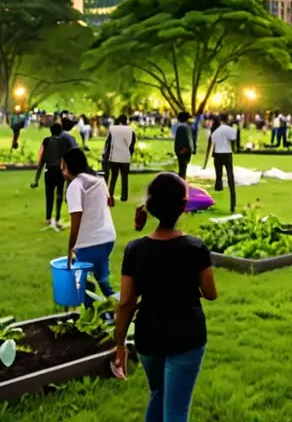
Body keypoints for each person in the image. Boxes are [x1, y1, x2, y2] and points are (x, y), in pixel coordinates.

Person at [114, 173, 218, 421]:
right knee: (176, 409)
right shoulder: (196, 247)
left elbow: (126, 302)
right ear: (183, 206)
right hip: (188, 336)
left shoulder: (135, 249)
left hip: (149, 336)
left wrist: (119, 343)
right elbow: (211, 294)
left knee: (158, 395)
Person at [64, 147, 117, 305]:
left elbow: (76, 221)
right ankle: (121, 310)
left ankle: (91, 322)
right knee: (104, 282)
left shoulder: (75, 186)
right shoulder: (99, 180)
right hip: (107, 238)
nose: (62, 169)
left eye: (64, 165)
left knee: (86, 287)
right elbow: (109, 201)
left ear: (69, 167)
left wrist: (70, 250)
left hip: (90, 242)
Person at [32, 123, 67, 230]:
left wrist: (36, 179)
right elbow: (65, 158)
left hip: (49, 171)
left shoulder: (46, 141)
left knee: (49, 195)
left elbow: (42, 160)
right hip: (59, 172)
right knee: (59, 195)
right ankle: (57, 218)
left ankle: (48, 217)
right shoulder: (62, 142)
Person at [102, 114, 136, 203]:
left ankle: (111, 194)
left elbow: (108, 143)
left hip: (114, 156)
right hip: (125, 157)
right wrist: (130, 155)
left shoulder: (113, 129)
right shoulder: (131, 130)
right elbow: (132, 145)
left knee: (114, 177)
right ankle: (124, 196)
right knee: (124, 177)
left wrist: (106, 155)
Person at [208, 114, 238, 214]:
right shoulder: (229, 129)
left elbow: (213, 143)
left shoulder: (215, 131)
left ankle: (216, 197)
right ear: (227, 119)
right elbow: (233, 140)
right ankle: (232, 202)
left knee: (218, 176)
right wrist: (233, 149)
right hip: (227, 154)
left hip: (217, 155)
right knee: (230, 176)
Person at [174, 112, 195, 180]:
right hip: (183, 151)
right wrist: (188, 149)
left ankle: (181, 181)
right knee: (183, 169)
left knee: (183, 168)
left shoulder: (182, 127)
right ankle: (181, 183)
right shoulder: (184, 128)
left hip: (183, 150)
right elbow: (185, 140)